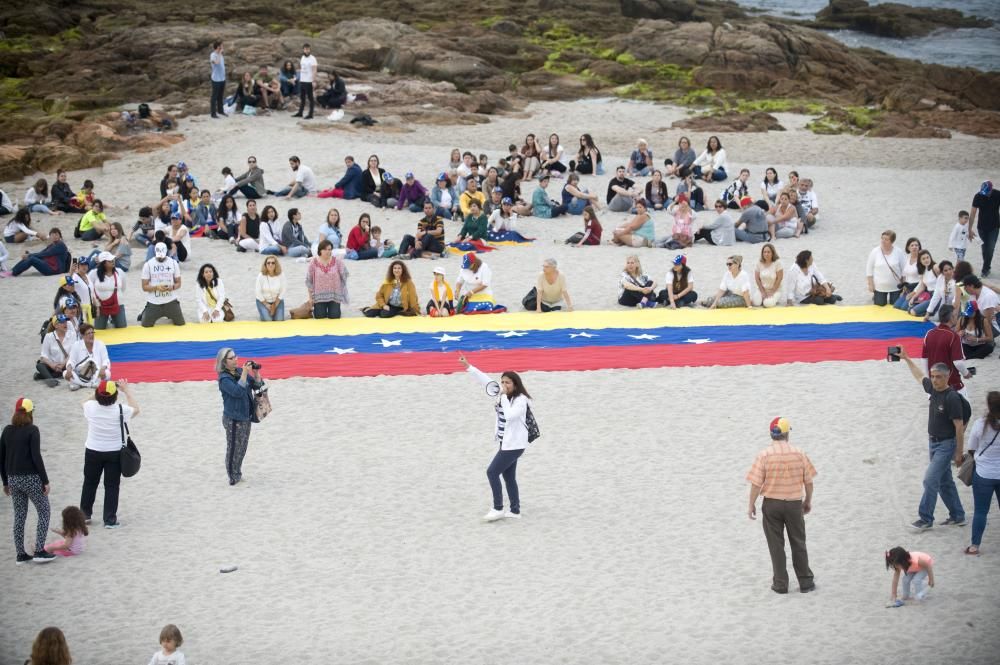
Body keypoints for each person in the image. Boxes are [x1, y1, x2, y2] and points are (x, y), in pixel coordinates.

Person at [898, 348, 967, 530]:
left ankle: (925, 518)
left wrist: (959, 453)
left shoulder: (952, 398)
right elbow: (920, 377)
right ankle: (958, 515)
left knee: (930, 480)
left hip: (946, 444)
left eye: (938, 377)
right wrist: (907, 359)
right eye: (933, 376)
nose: (934, 380)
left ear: (947, 377)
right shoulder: (933, 389)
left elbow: (959, 427)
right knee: (945, 482)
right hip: (933, 443)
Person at [458, 354, 534, 521]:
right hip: (505, 442)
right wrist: (469, 366)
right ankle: (515, 510)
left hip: (514, 445)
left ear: (515, 384)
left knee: (492, 472)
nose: (504, 385)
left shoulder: (521, 400)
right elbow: (485, 381)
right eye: (503, 382)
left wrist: (505, 399)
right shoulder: (502, 394)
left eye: (508, 382)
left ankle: (498, 508)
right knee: (508, 477)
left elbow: (511, 416)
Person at [746, 417, 816, 594]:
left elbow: (756, 484)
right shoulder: (799, 453)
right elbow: (808, 482)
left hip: (771, 504)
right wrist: (807, 500)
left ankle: (780, 583)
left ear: (772, 434)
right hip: (793, 504)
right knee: (798, 542)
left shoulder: (764, 455)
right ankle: (805, 582)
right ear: (786, 434)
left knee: (776, 545)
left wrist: (751, 504)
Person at [1, 398, 56, 565]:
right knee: (44, 511)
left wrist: (5, 482)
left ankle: (20, 555)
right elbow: (36, 456)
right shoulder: (33, 430)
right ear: (30, 413)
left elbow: (1, 458)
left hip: (13, 478)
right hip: (30, 478)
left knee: (19, 515)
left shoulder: (7, 430)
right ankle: (39, 550)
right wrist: (45, 480)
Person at [80, 379, 138, 528]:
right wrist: (127, 390)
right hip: (114, 452)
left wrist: (97, 393)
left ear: (98, 395)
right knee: (112, 486)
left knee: (90, 482)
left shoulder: (91, 407)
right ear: (115, 396)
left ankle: (85, 514)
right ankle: (109, 520)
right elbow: (136, 409)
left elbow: (83, 402)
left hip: (93, 450)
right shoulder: (120, 409)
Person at [216, 348, 263, 486]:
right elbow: (237, 391)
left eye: (235, 356)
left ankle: (237, 472)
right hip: (233, 419)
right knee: (233, 449)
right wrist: (244, 373)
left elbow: (257, 386)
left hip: (245, 416)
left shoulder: (238, 372)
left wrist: (256, 373)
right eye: (231, 358)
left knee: (242, 448)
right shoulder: (224, 378)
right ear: (224, 362)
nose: (236, 359)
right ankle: (233, 476)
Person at [966, 391, 1000, 556]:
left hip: (984, 473)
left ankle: (974, 546)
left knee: (980, 511)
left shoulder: (980, 424)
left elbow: (972, 447)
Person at [922, 304, 971, 396]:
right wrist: (966, 373)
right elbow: (958, 362)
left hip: (934, 383)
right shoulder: (953, 336)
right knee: (965, 408)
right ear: (951, 317)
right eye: (956, 315)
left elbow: (924, 359)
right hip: (951, 383)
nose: (957, 317)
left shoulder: (929, 334)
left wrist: (928, 377)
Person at [140, 243, 185, 327]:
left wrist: (173, 287)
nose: (161, 257)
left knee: (180, 323)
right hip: (154, 302)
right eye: (159, 255)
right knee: (146, 325)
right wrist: (156, 287)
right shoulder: (148, 264)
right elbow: (144, 287)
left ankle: (169, 314)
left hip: (171, 300)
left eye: (162, 255)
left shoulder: (173, 263)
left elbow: (179, 283)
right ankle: (144, 312)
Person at [306, 240, 349, 319]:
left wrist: (339, 290)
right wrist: (310, 298)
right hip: (319, 297)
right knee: (319, 316)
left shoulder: (337, 261)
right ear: (320, 250)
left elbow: (345, 274)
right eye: (325, 249)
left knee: (334, 316)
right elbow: (309, 281)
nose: (327, 251)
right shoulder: (313, 262)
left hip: (334, 296)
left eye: (329, 249)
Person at [65, 323, 111, 391]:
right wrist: (69, 370)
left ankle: (78, 383)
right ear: (82, 335)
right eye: (88, 333)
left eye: (92, 332)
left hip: (97, 373)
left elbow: (106, 360)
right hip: (81, 373)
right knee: (65, 373)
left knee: (107, 373)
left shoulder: (100, 344)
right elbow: (71, 361)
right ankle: (91, 384)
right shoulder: (76, 345)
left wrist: (103, 369)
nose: (91, 335)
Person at [867, 230, 907, 306]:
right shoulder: (875, 251)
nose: (883, 241)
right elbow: (869, 269)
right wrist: (870, 284)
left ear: (892, 241)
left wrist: (905, 285)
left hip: (896, 287)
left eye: (886, 239)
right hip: (879, 287)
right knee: (879, 307)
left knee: (895, 307)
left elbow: (904, 270)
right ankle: (875, 297)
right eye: (882, 238)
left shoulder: (898, 252)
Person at [89, 252, 127, 329]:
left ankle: (112, 319)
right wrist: (94, 303)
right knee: (99, 328)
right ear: (103, 263)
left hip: (117, 304)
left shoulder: (120, 272)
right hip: (99, 305)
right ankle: (109, 319)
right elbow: (89, 289)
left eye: (113, 259)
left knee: (122, 327)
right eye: (109, 260)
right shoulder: (93, 273)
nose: (113, 261)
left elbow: (123, 287)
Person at [36, 314, 76, 387]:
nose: (65, 324)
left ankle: (43, 376)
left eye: (65, 321)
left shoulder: (72, 335)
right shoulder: (49, 336)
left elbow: (73, 353)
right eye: (62, 322)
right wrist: (52, 365)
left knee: (73, 367)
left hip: (66, 364)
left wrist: (63, 364)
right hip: (53, 365)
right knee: (39, 365)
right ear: (56, 325)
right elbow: (43, 356)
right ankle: (51, 379)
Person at [970, 180, 999, 277]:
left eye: (987, 192)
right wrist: (969, 229)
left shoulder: (997, 194)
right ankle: (987, 266)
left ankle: (985, 269)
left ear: (991, 189)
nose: (985, 195)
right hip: (981, 227)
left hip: (994, 227)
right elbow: (973, 213)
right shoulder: (978, 196)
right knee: (984, 249)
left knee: (990, 248)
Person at [255, 256, 287, 322]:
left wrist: (276, 304)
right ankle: (263, 312)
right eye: (268, 263)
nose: (270, 264)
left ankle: (272, 313)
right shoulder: (261, 275)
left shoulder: (281, 274)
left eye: (273, 263)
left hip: (277, 300)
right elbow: (258, 292)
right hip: (263, 301)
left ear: (276, 264)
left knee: (279, 320)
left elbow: (283, 289)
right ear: (265, 265)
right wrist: (266, 305)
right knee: (268, 320)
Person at [292, 43, 317, 119]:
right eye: (305, 49)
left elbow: (314, 70)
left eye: (308, 49)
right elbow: (301, 69)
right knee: (302, 97)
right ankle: (300, 112)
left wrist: (313, 81)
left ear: (310, 50)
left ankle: (311, 114)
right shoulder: (302, 57)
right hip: (302, 80)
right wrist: (296, 77)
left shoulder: (312, 58)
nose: (306, 50)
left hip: (309, 81)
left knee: (310, 98)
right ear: (303, 49)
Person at [209, 40, 226, 118]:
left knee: (220, 96)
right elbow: (216, 63)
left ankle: (221, 111)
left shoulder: (221, 55)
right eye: (221, 46)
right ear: (218, 47)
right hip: (216, 79)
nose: (223, 47)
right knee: (214, 97)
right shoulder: (213, 55)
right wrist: (219, 53)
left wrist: (220, 53)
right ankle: (213, 113)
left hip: (222, 78)